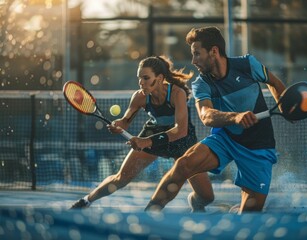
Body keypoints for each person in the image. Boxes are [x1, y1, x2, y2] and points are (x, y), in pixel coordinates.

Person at [144, 26, 286, 214]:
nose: (193, 61)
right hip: (225, 140)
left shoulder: (247, 64)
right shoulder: (201, 83)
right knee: (183, 164)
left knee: (249, 215)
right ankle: (148, 214)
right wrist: (235, 117)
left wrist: (285, 107)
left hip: (258, 146)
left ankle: (237, 211)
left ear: (214, 51)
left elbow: (275, 83)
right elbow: (206, 114)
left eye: (197, 54)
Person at [70, 55, 214, 212]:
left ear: (159, 78)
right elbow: (125, 121)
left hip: (182, 140)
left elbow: (180, 130)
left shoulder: (177, 94)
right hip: (154, 132)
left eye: (146, 78)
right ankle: (86, 201)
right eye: (140, 78)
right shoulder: (139, 97)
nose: (141, 83)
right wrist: (119, 124)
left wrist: (147, 142)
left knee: (207, 197)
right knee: (121, 178)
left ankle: (195, 202)